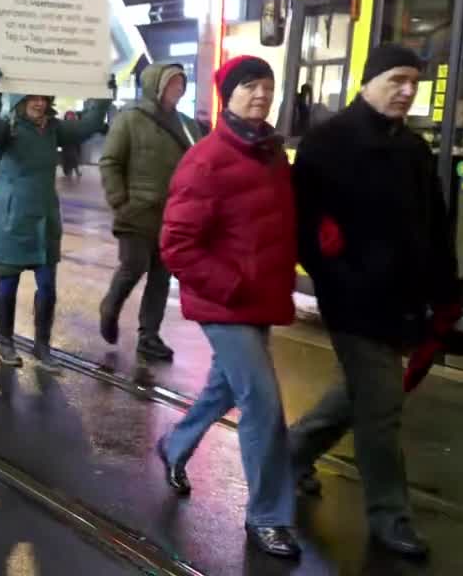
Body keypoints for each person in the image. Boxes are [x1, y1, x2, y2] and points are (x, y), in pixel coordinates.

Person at [287, 44, 460, 559]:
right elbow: (304, 230)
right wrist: (338, 280)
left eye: (414, 82)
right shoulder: (327, 142)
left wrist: (446, 289)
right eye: (398, 79)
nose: (407, 91)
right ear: (369, 80)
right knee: (381, 409)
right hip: (354, 304)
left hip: (403, 303)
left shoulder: (413, 148)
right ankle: (390, 515)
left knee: (356, 395)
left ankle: (287, 456)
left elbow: (435, 226)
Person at [155, 55, 300, 559]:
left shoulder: (271, 155)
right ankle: (268, 517)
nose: (260, 95)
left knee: (224, 389)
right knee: (262, 401)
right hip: (225, 301)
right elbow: (176, 245)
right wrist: (233, 285)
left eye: (267, 86)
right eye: (248, 87)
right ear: (227, 96)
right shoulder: (206, 160)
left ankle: (174, 447)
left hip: (259, 298)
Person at [0, 66, 109, 369]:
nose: (38, 102)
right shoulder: (8, 128)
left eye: (43, 97)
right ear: (21, 100)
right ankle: (6, 343)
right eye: (31, 97)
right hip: (11, 217)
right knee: (8, 284)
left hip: (45, 217)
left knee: (48, 285)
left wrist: (103, 95)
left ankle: (42, 346)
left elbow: (88, 125)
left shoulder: (54, 128)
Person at [98, 63, 205, 362]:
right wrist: (120, 201)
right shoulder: (130, 119)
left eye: (182, 85)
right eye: (172, 84)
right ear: (155, 86)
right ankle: (110, 306)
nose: (178, 90)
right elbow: (110, 161)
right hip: (136, 212)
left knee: (161, 276)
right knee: (134, 266)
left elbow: (199, 164)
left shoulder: (186, 124)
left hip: (173, 215)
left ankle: (149, 336)